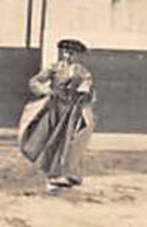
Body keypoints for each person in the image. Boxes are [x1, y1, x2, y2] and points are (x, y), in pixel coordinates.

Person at [19, 37, 95, 189]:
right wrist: (46, 90)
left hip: (72, 110)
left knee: (68, 140)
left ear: (77, 55)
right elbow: (34, 82)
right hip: (54, 107)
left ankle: (66, 173)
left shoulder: (82, 72)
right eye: (66, 52)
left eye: (72, 53)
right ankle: (52, 174)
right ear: (62, 53)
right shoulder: (54, 68)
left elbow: (88, 87)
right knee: (50, 138)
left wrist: (84, 92)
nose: (69, 55)